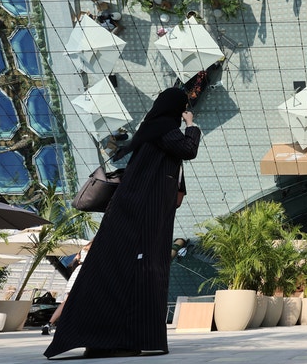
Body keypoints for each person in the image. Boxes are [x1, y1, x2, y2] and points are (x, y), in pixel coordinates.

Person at [44, 88, 201, 359]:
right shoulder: (165, 128)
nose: (184, 111)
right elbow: (188, 149)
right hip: (141, 214)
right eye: (183, 106)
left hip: (133, 211)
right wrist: (191, 125)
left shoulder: (153, 130)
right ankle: (117, 339)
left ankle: (107, 339)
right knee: (139, 271)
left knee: (124, 269)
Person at [42, 240, 93, 335]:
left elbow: (73, 262)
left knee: (66, 302)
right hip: (87, 274)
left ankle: (49, 324)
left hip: (76, 273)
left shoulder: (83, 249)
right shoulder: (97, 249)